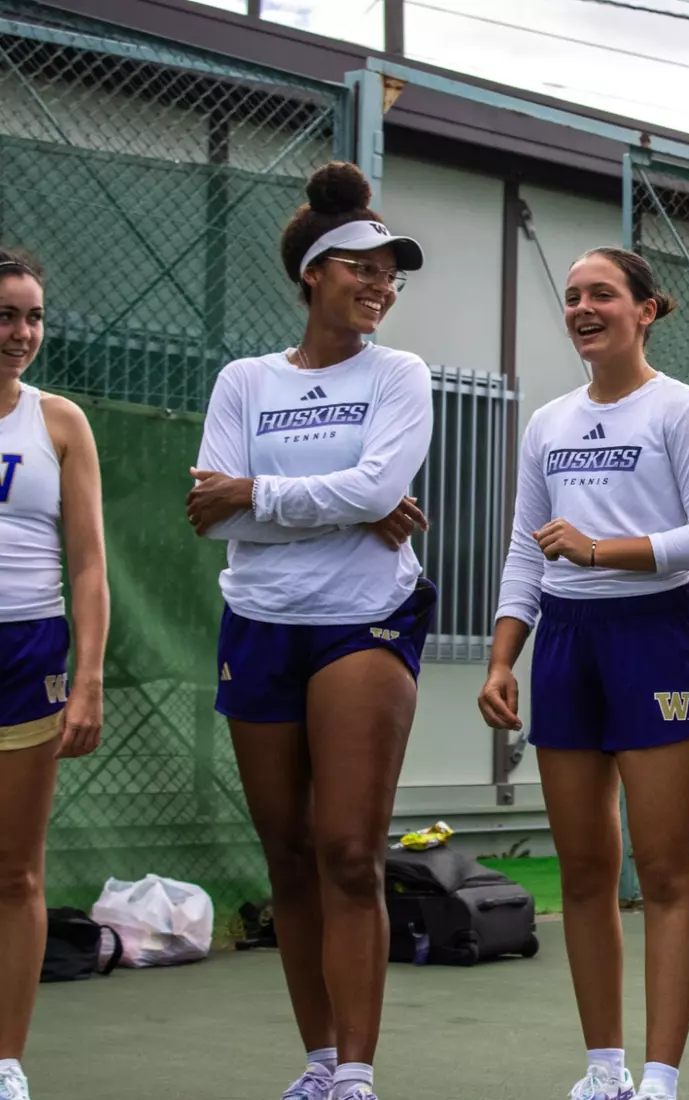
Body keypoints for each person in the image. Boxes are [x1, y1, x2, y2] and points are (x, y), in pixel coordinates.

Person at [187, 162, 435, 1100]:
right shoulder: (244, 381)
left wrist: (263, 492)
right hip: (257, 623)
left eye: (389, 274)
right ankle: (320, 1062)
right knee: (286, 852)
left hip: (362, 624)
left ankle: (359, 1076)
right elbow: (210, 514)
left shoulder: (401, 374)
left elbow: (375, 490)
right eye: (362, 268)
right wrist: (330, 505)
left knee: (347, 850)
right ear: (313, 275)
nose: (380, 286)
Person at [478, 246, 689, 1100]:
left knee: (665, 871)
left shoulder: (683, 410)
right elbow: (526, 544)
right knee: (586, 870)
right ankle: (604, 1069)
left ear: (645, 310)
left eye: (602, 295)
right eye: (572, 297)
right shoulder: (548, 423)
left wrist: (602, 550)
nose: (583, 308)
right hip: (564, 641)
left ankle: (660, 1077)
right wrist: (502, 655)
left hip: (653, 635)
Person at [0, 247, 107, 1100]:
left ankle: (7, 1064)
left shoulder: (60, 423)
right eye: (6, 315)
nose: (22, 333)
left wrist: (88, 677)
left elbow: (88, 566)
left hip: (26, 656)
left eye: (33, 316)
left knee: (17, 871)